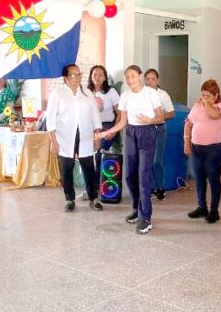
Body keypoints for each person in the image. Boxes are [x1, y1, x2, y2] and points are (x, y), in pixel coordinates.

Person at [96, 65, 163, 235]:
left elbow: (161, 117)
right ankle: (136, 209)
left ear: (139, 76)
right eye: (127, 76)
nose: (130, 78)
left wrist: (150, 120)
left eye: (133, 75)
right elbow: (122, 122)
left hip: (147, 133)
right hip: (131, 133)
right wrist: (106, 132)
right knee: (129, 174)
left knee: (143, 175)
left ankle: (146, 218)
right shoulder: (125, 96)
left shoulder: (151, 93)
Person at [48, 64, 104, 212]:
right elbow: (50, 120)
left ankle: (93, 198)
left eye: (79, 74)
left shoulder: (87, 93)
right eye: (73, 75)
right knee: (67, 167)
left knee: (88, 166)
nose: (77, 78)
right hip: (65, 136)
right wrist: (53, 141)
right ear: (66, 77)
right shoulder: (58, 93)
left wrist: (97, 136)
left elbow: (95, 115)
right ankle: (69, 199)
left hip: (85, 135)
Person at [184, 79, 221, 223]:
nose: (204, 97)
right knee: (199, 179)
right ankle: (201, 207)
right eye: (203, 94)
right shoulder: (197, 106)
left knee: (213, 180)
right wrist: (186, 142)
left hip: (214, 149)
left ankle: (214, 210)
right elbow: (188, 123)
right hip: (197, 148)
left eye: (208, 95)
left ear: (216, 96)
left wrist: (206, 102)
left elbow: (213, 115)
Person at [88, 65, 120, 193]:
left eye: (100, 75)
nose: (97, 77)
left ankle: (95, 187)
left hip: (106, 126)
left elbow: (120, 113)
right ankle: (89, 184)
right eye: (95, 74)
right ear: (91, 76)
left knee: (98, 154)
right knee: (86, 155)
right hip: (89, 126)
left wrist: (113, 130)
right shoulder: (85, 92)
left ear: (105, 77)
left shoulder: (111, 92)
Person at [144, 68, 175, 200]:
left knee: (157, 160)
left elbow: (171, 113)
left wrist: (159, 117)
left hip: (159, 129)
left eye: (153, 79)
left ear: (157, 81)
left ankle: (160, 187)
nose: (150, 82)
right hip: (144, 129)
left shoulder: (163, 95)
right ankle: (149, 187)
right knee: (147, 160)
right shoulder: (141, 93)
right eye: (147, 79)